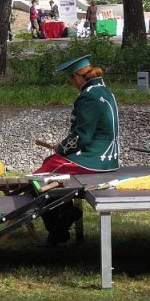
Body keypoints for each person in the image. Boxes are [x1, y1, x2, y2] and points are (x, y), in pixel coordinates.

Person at [34, 55, 120, 247]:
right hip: (107, 157)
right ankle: (64, 214)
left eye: (70, 78)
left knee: (40, 177)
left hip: (93, 159)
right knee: (52, 165)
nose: (70, 82)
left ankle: (59, 226)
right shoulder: (104, 91)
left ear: (78, 77)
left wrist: (62, 147)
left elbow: (83, 136)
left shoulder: (88, 96)